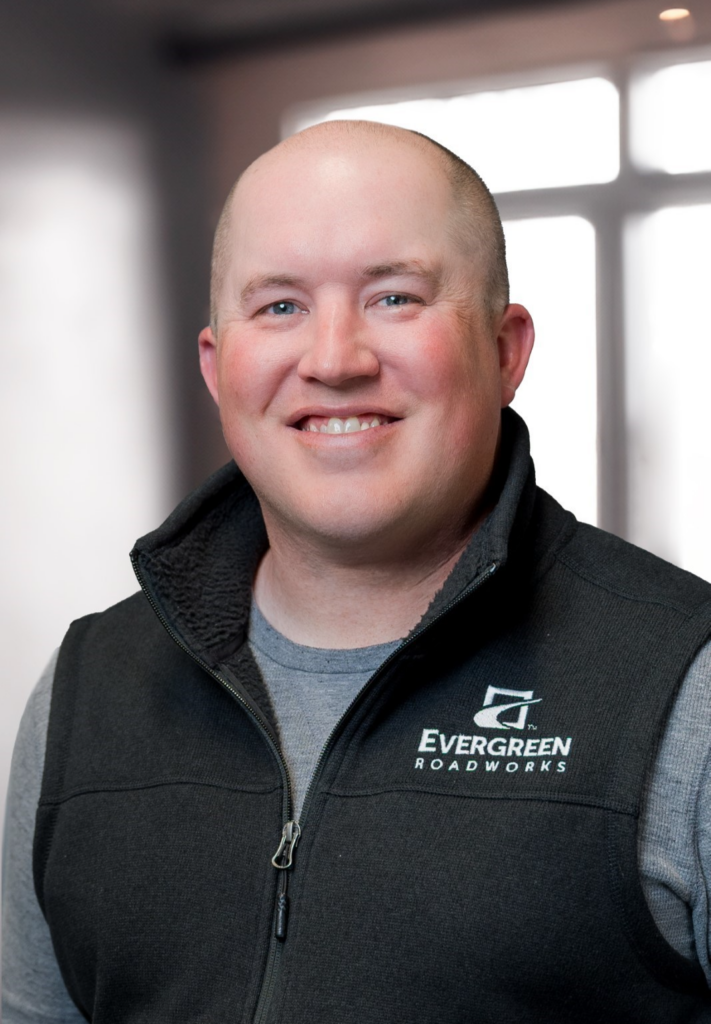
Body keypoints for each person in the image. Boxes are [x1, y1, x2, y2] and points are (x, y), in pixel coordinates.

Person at [4, 119, 711, 1023]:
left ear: (505, 350)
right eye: (280, 307)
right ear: (219, 369)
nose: (334, 360)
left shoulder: (685, 685)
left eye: (394, 297)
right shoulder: (81, 693)